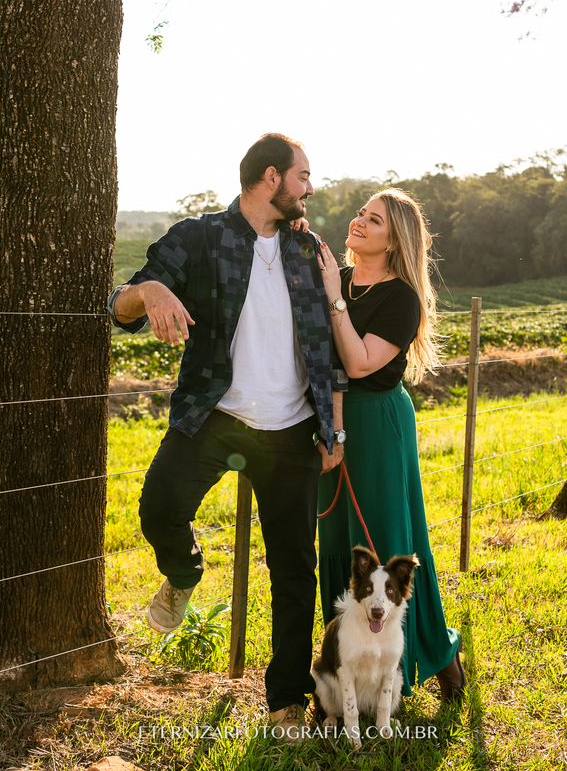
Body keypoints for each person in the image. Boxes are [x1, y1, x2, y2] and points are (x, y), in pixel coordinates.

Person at [107, 133, 347, 739]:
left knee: (295, 570)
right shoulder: (199, 238)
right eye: (303, 176)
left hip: (292, 429)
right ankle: (185, 572)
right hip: (215, 416)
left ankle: (286, 701)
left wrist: (333, 427)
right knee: (159, 508)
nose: (310, 187)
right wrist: (151, 290)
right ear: (271, 177)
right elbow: (120, 305)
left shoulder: (307, 248)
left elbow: (324, 347)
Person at [314, 188, 466, 703]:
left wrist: (333, 296)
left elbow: (359, 363)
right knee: (339, 544)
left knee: (386, 545)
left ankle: (436, 654)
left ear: (394, 240)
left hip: (377, 423)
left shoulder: (401, 298)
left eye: (373, 220)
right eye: (361, 213)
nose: (359, 222)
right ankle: (349, 670)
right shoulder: (337, 277)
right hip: (330, 419)